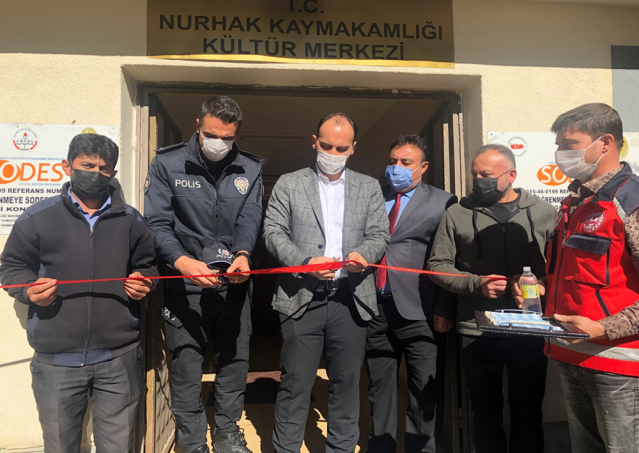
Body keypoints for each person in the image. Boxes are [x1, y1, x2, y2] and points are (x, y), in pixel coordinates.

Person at [0, 133, 158, 453]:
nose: (95, 173)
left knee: (119, 447)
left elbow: (150, 266)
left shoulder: (131, 220)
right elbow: (11, 268)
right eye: (87, 165)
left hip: (119, 357)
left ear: (113, 173)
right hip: (56, 359)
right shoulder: (37, 217)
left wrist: (146, 281)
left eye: (104, 168)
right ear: (67, 166)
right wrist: (28, 291)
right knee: (60, 446)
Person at [263, 112, 389, 453]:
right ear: (314, 142)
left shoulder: (369, 187)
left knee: (346, 385)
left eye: (341, 148)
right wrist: (304, 263)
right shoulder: (290, 183)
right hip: (301, 297)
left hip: (351, 298)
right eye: (327, 145)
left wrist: (364, 254)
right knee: (295, 385)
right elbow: (273, 232)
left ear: (353, 148)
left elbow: (380, 234)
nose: (333, 153)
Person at [144, 96, 262, 453]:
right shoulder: (167, 163)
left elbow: (249, 218)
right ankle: (193, 443)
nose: (219, 143)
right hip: (186, 287)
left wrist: (243, 254)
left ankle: (227, 434)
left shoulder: (249, 167)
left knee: (234, 364)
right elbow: (157, 223)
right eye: (212, 135)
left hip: (234, 286)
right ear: (198, 126)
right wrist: (181, 261)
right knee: (187, 369)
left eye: (227, 138)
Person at [427, 144, 556, 453]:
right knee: (485, 414)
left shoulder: (544, 212)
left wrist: (541, 285)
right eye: (474, 174)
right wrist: (476, 284)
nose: (478, 181)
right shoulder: (457, 214)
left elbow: (560, 267)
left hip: (530, 328)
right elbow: (437, 265)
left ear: (511, 175)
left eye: (485, 174)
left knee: (528, 412)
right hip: (478, 329)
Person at [527, 103, 639, 453]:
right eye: (559, 145)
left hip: (618, 364)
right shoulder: (575, 202)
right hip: (571, 355)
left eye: (570, 144)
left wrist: (604, 328)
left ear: (605, 143)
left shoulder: (630, 201)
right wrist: (542, 287)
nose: (561, 154)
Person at [366, 134, 457, 453]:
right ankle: (381, 446)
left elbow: (450, 258)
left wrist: (444, 307)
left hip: (422, 309)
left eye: (406, 163)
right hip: (375, 308)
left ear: (423, 166)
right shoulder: (372, 194)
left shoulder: (444, 202)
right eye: (393, 161)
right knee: (379, 389)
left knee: (424, 392)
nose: (397, 167)